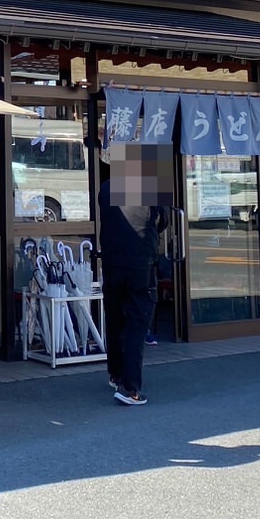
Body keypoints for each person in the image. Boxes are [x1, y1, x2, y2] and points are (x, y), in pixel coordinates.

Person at [98, 170, 169, 406]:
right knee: (137, 324)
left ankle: (116, 374)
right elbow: (163, 220)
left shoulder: (107, 188)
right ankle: (130, 388)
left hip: (111, 261)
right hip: (140, 263)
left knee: (116, 319)